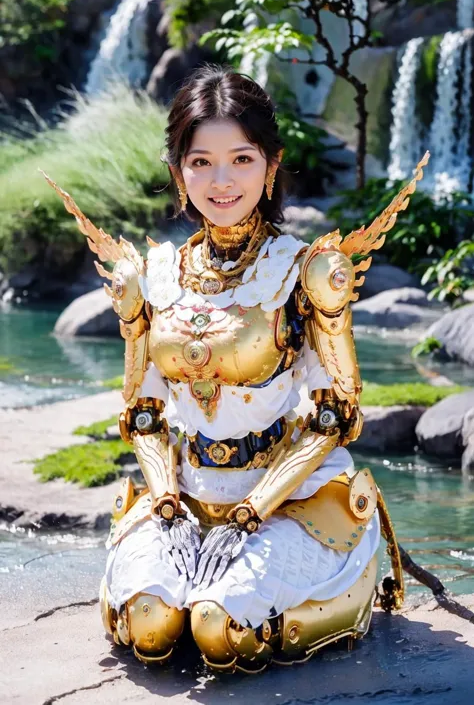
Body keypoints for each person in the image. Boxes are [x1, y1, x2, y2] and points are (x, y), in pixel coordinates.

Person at [45, 65, 427, 673]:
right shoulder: (152, 275)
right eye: (201, 163)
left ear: (271, 166)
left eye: (241, 160)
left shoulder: (306, 273)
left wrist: (253, 511)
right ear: (178, 173)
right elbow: (143, 413)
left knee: (220, 630)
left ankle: (348, 589)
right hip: (186, 497)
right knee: (150, 624)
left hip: (289, 499)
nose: (222, 181)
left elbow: (335, 415)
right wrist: (166, 500)